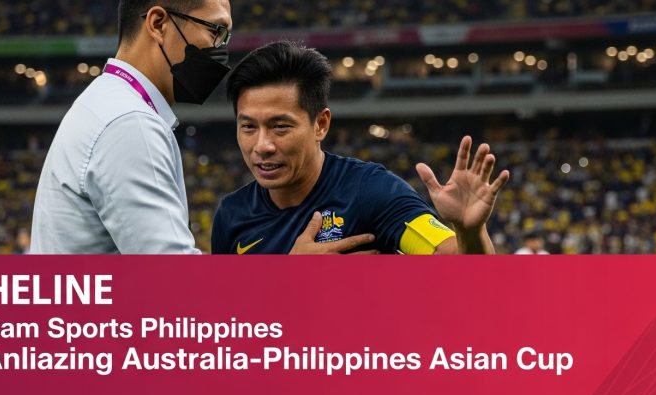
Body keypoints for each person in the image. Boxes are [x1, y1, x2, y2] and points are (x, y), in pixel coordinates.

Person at [211, 41, 510, 254]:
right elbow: (230, 322)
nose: (262, 146)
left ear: (320, 125)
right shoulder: (231, 215)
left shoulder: (370, 191)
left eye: (280, 127)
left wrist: (470, 232)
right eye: (248, 126)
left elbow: (462, 270)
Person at [30, 0, 232, 253]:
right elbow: (176, 279)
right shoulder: (130, 124)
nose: (221, 48)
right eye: (216, 31)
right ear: (158, 24)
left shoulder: (107, 103)